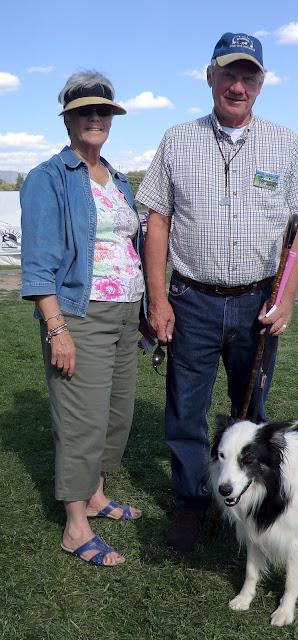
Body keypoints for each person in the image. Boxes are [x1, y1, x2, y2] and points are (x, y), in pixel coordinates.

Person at [136, 32, 298, 552]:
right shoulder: (177, 139)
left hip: (256, 303)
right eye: (229, 74)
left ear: (260, 84)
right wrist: (159, 299)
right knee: (185, 413)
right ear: (210, 76)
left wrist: (285, 298)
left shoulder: (284, 142)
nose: (237, 86)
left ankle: (250, 507)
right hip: (191, 299)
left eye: (248, 77)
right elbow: (157, 222)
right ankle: (192, 506)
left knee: (251, 413)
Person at [21, 71, 146, 566]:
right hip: (80, 313)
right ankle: (75, 526)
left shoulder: (118, 179)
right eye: (84, 111)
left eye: (104, 112)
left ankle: (96, 496)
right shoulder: (48, 178)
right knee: (80, 420)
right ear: (68, 118)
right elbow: (38, 262)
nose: (95, 118)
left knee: (116, 416)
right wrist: (57, 329)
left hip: (125, 313)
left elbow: (128, 244)